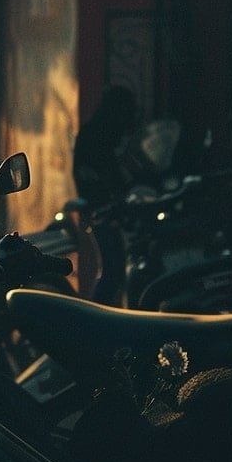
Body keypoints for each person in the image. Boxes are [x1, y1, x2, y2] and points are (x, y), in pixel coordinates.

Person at [72, 83, 139, 304]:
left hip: (108, 210)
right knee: (113, 271)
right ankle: (95, 316)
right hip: (103, 211)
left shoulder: (101, 134)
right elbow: (102, 175)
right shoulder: (99, 136)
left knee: (115, 270)